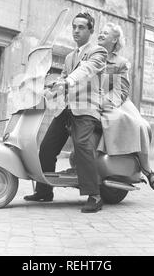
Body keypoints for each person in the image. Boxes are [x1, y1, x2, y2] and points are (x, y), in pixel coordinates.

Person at [24, 12, 108, 213]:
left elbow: (86, 70)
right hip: (66, 108)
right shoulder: (70, 56)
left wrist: (67, 81)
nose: (76, 31)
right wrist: (45, 88)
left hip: (86, 108)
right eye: (74, 27)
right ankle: (44, 191)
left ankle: (95, 196)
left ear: (90, 30)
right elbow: (61, 78)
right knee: (46, 147)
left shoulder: (99, 52)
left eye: (81, 27)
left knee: (81, 145)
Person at [97, 22, 154, 191]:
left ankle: (147, 169)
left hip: (116, 103)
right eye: (100, 32)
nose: (100, 34)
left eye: (105, 33)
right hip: (91, 102)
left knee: (137, 125)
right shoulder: (91, 57)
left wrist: (104, 102)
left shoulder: (120, 63)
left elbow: (121, 89)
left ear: (115, 40)